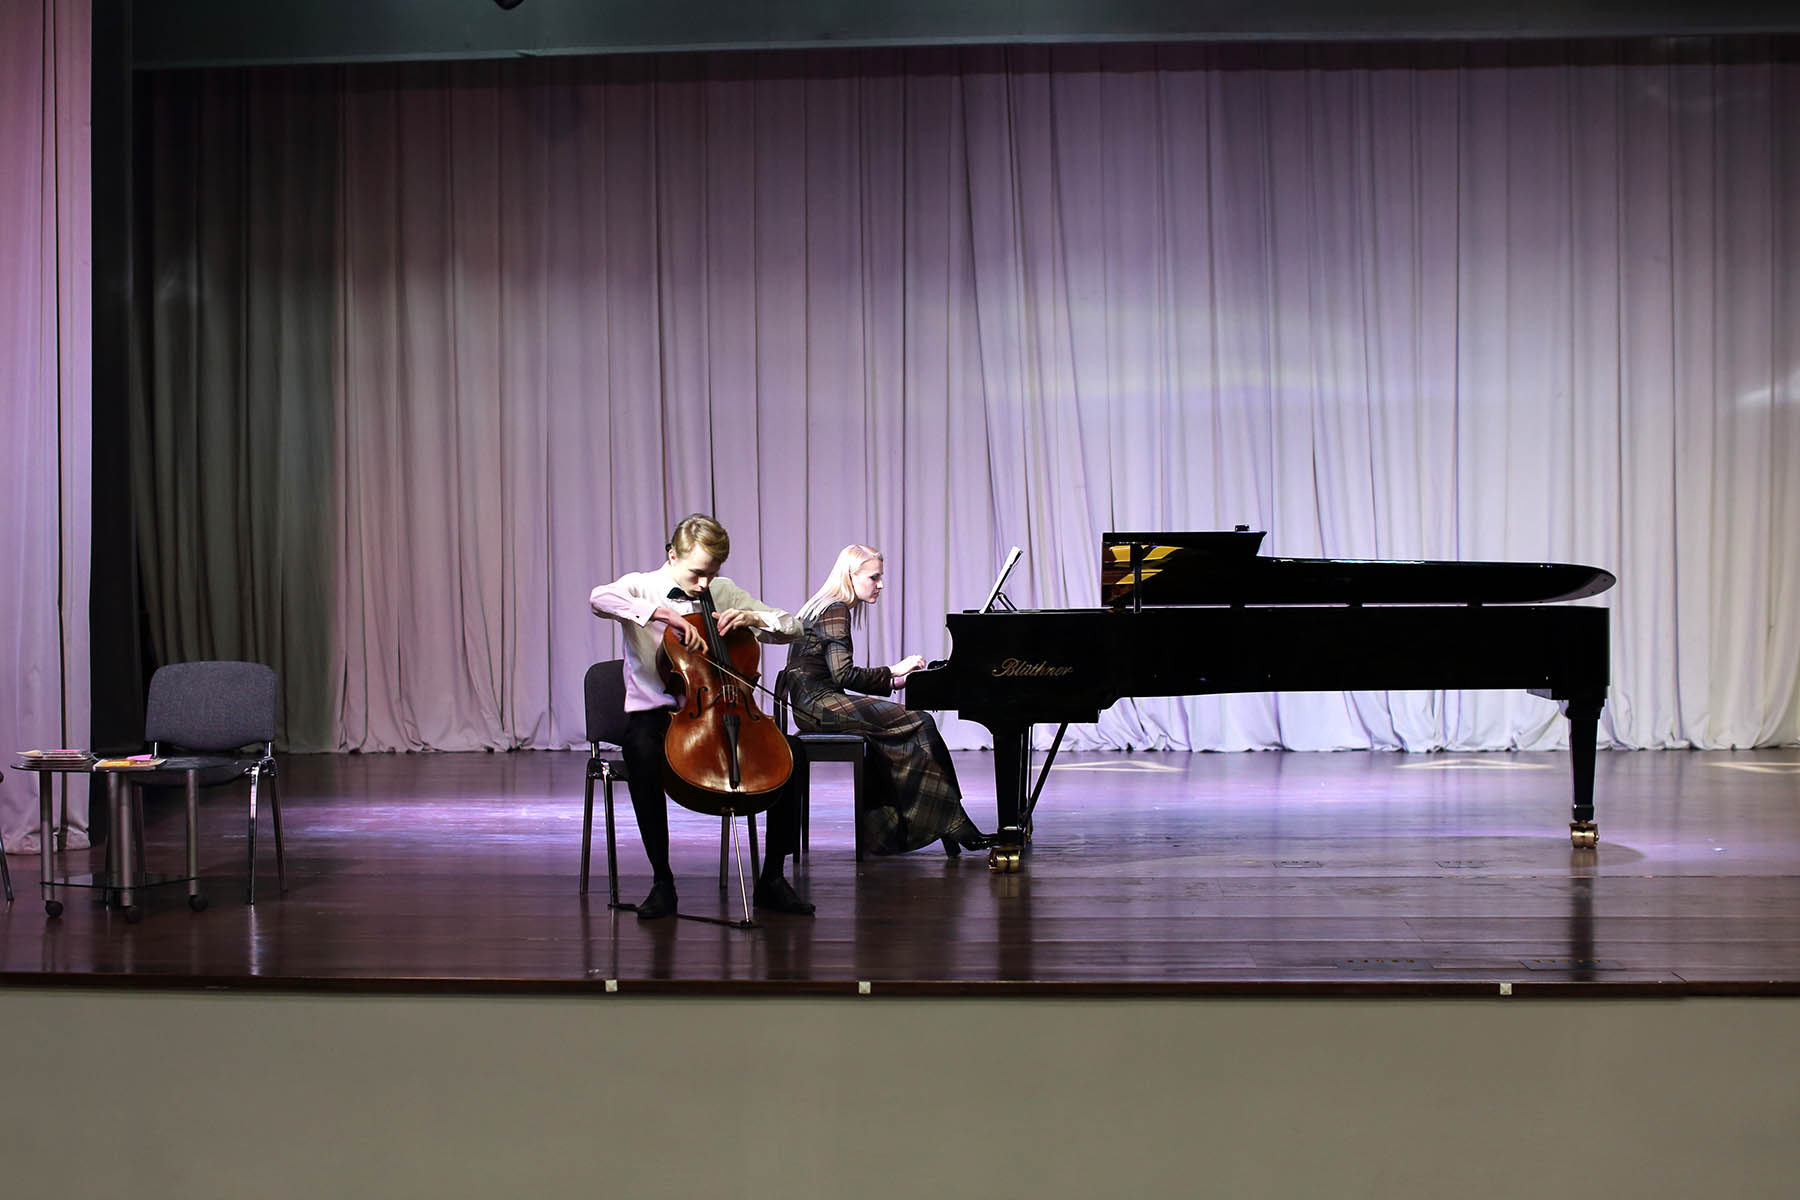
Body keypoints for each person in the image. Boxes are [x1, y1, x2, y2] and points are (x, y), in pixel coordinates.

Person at [589, 513, 814, 919]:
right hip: (656, 716)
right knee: (641, 750)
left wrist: (753, 618)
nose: (705, 584)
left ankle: (772, 879)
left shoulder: (723, 592)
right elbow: (598, 599)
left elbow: (793, 626)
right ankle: (662, 882)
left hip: (724, 711)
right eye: (697, 574)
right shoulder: (641, 585)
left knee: (793, 753)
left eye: (713, 573)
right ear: (672, 555)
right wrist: (662, 615)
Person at [784, 544, 991, 856]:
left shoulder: (824, 606)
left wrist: (894, 682)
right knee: (921, 721)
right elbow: (844, 674)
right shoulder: (835, 609)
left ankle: (940, 823)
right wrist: (894, 669)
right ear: (850, 575)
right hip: (820, 706)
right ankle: (952, 822)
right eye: (873, 577)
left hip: (815, 704)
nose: (880, 584)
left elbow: (837, 676)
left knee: (909, 729)